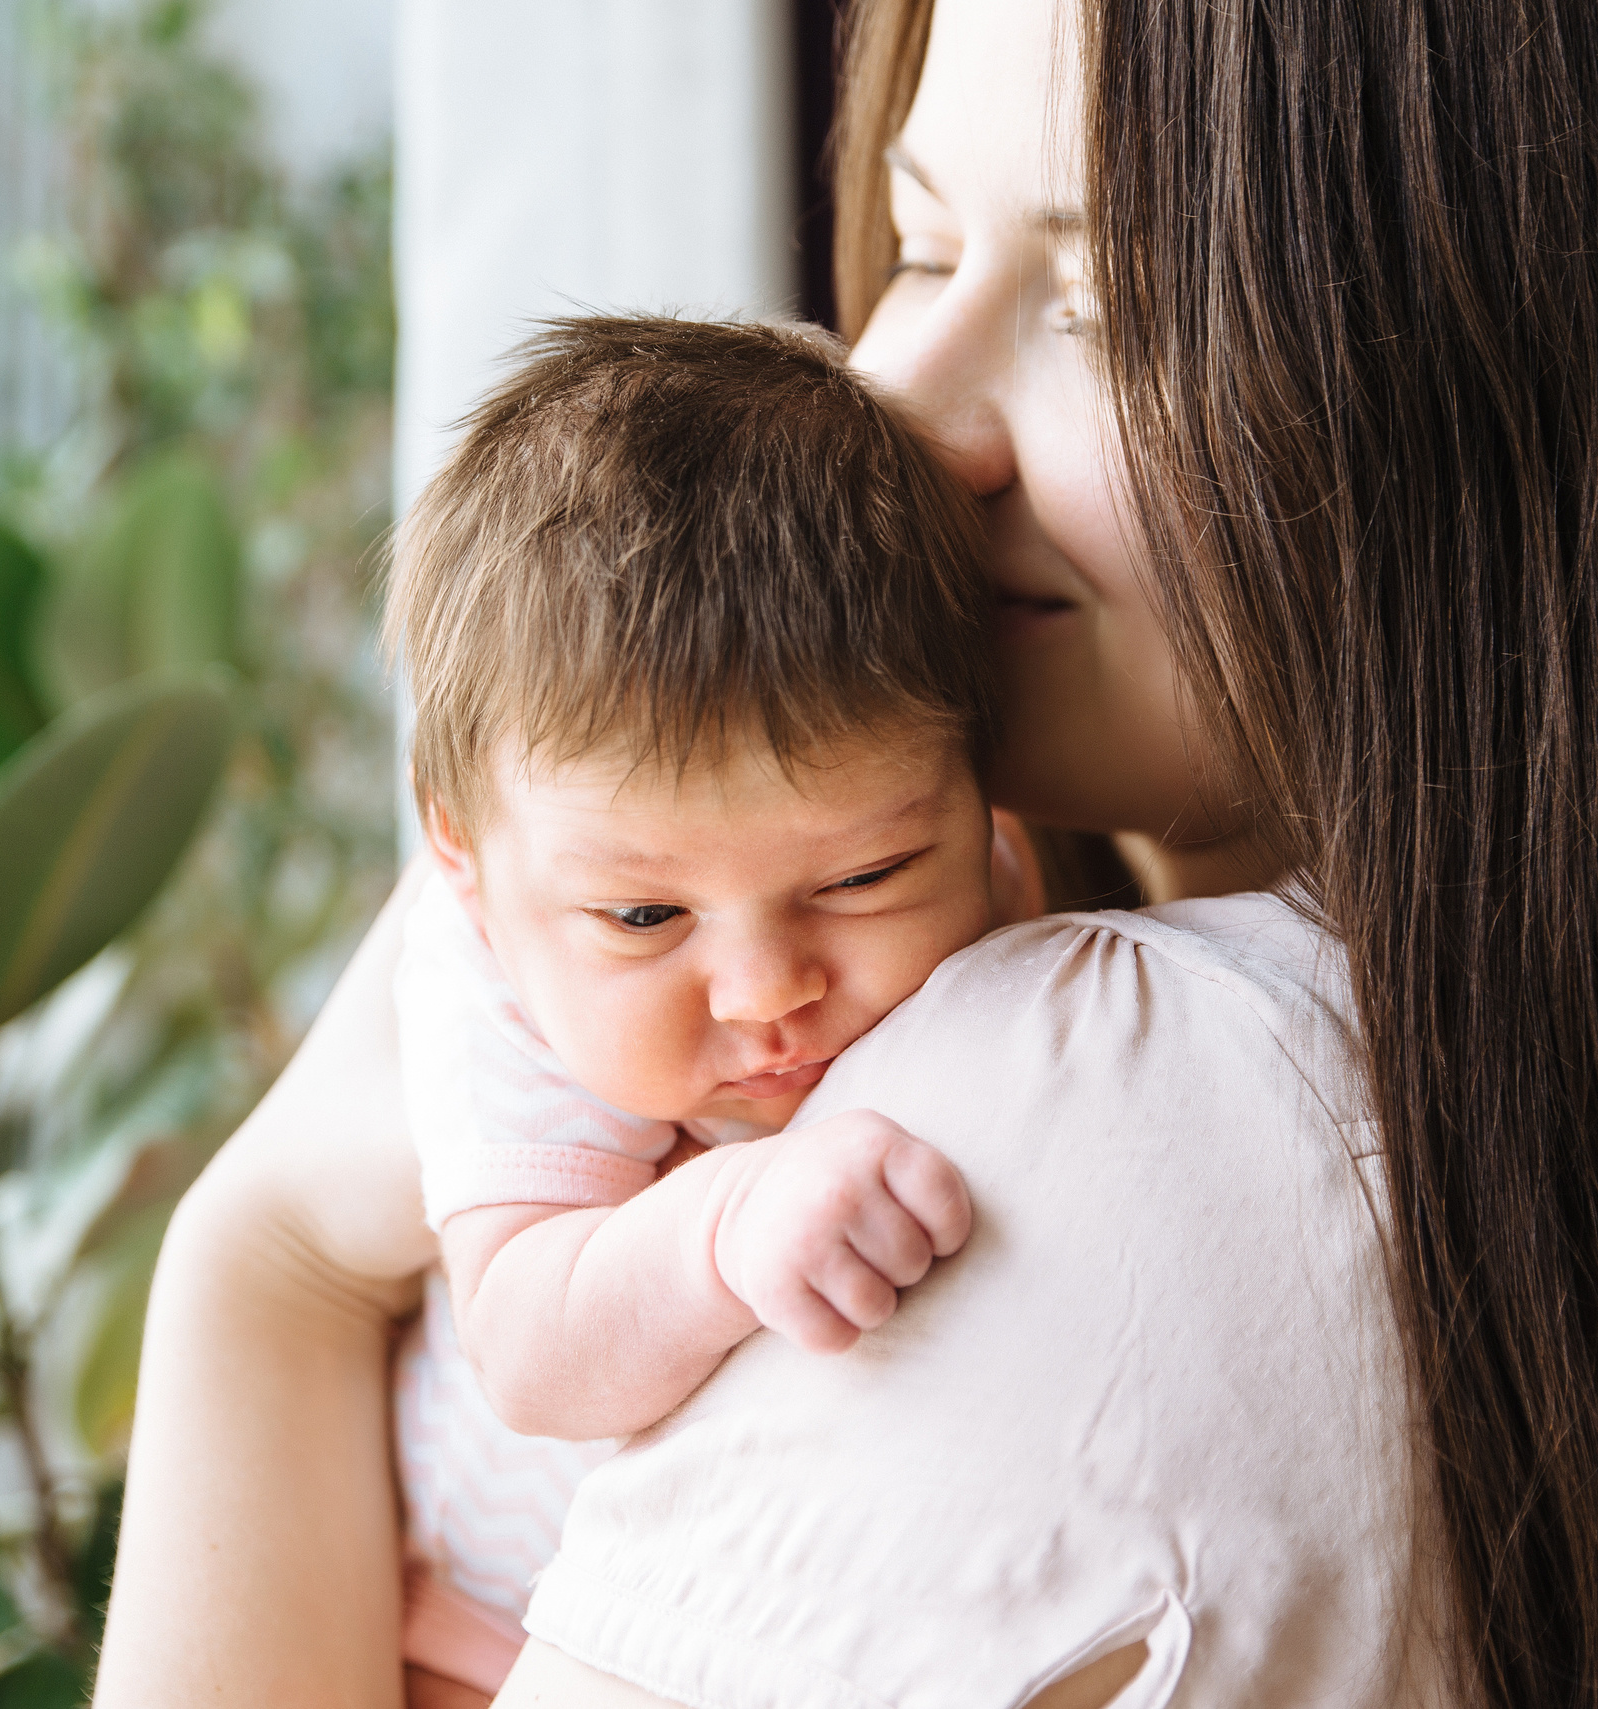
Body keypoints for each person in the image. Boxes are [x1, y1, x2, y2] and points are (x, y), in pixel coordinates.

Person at [97, 0, 1598, 1701]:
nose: (907, 416)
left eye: (1110, 304)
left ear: (1506, 413)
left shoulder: (1083, 1120)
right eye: (922, 243)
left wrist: (255, 1260)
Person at [375, 315, 1046, 1691]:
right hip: (484, 1624)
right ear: (463, 854)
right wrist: (733, 1217)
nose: (766, 992)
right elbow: (532, 1350)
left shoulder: (1002, 883)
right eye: (646, 916)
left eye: (862, 875)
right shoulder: (488, 979)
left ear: (984, 784)